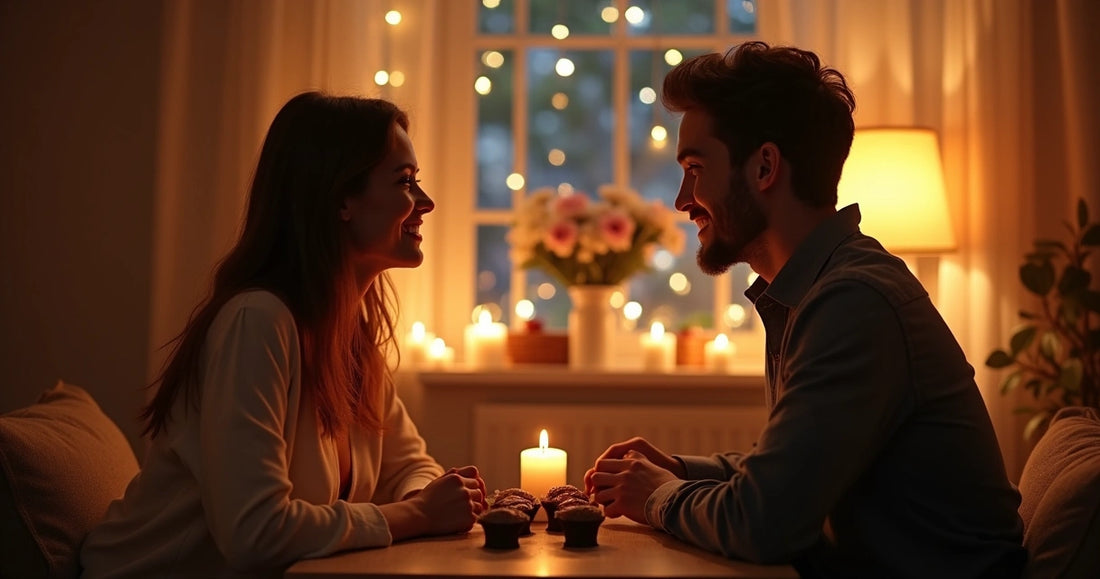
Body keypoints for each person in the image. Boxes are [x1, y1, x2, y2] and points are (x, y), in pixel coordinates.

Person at [584, 42, 1025, 578]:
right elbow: (792, 469)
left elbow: (764, 522)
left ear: (765, 166)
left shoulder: (855, 302)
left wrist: (660, 496)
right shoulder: (819, 286)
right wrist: (676, 469)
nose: (682, 199)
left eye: (695, 168)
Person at [81, 92, 487, 577]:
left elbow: (408, 465)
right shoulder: (257, 323)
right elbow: (256, 531)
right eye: (404, 182)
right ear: (340, 199)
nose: (426, 202)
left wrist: (428, 496)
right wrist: (418, 514)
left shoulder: (350, 335)